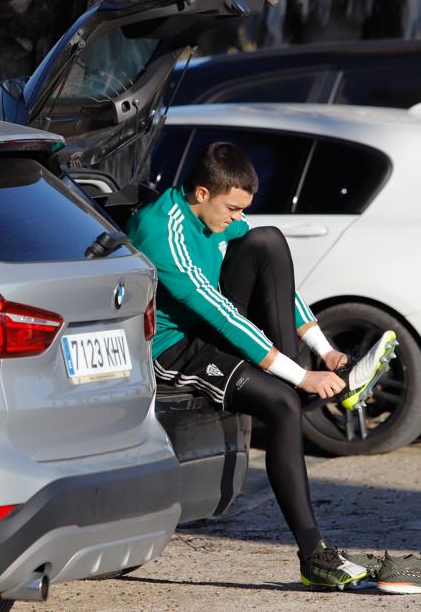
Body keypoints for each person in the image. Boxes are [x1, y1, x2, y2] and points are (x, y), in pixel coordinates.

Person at [126, 141, 397, 589]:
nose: (235, 218)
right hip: (175, 348)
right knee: (283, 403)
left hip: (211, 327)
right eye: (231, 209)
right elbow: (218, 311)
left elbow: (278, 285)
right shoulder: (163, 232)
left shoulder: (217, 216)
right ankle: (315, 556)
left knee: (267, 239)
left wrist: (325, 350)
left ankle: (323, 382)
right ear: (201, 193)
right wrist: (299, 374)